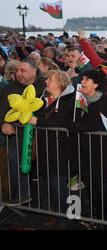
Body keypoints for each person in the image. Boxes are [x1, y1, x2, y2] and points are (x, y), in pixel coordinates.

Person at [28, 70, 75, 228]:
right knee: (50, 188)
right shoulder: (44, 98)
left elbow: (62, 121)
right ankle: (57, 215)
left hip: (60, 152)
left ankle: (64, 220)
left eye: (50, 79)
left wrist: (37, 121)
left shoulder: (69, 99)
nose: (46, 82)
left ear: (59, 83)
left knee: (59, 189)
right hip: (45, 150)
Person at [66, 69, 107, 223]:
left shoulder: (106, 101)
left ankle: (102, 217)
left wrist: (79, 126)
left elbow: (102, 124)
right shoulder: (79, 100)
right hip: (82, 150)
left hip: (99, 150)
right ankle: (94, 213)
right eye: (83, 79)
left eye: (87, 79)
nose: (83, 82)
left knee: (100, 184)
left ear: (97, 84)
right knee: (88, 182)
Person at [1, 58, 46, 206]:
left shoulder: (45, 85)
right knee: (14, 161)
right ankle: (22, 194)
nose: (19, 74)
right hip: (18, 134)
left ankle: (50, 203)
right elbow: (2, 109)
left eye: (23, 71)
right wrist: (4, 122)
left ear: (33, 71)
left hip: (42, 134)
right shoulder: (9, 88)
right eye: (18, 71)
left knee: (47, 166)